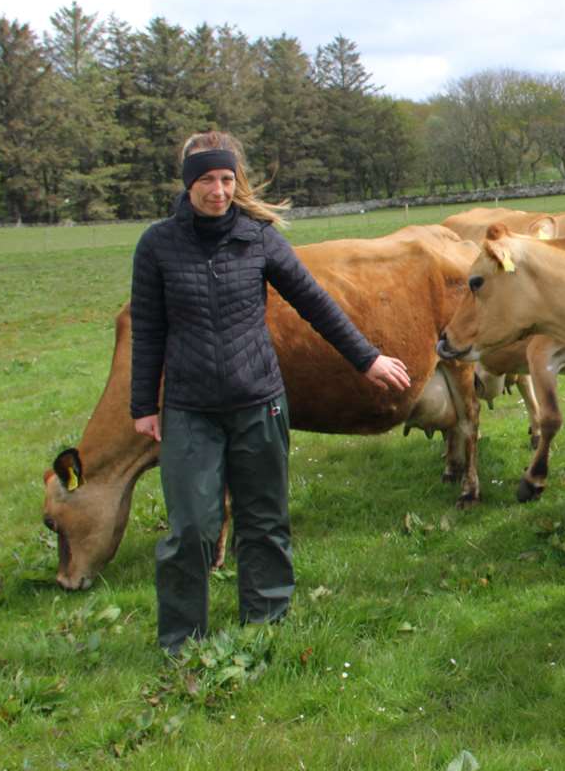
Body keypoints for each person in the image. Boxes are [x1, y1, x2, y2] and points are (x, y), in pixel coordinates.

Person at [130, 131, 410, 654]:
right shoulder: (157, 245)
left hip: (258, 401)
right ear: (188, 183)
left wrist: (366, 358)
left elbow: (315, 302)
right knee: (190, 528)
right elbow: (147, 329)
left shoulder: (257, 237)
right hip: (190, 409)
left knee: (263, 520)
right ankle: (181, 640)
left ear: (236, 183)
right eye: (207, 180)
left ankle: (265, 625)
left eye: (226, 179)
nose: (217, 190)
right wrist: (143, 404)